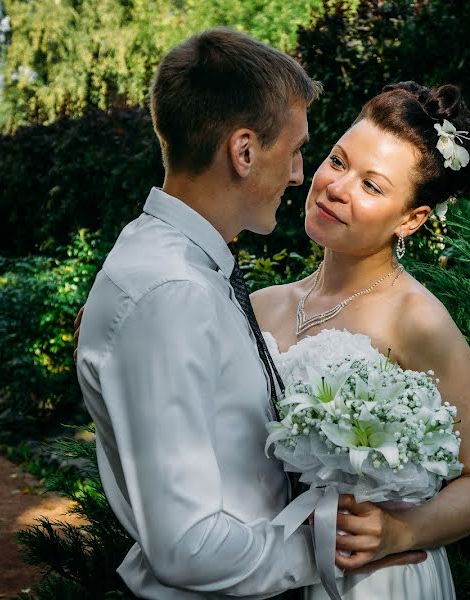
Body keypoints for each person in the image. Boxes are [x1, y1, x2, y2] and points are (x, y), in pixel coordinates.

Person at [74, 29, 422, 599]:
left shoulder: (182, 268)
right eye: (295, 150)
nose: (299, 175)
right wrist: (331, 549)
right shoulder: (170, 293)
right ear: (243, 151)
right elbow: (188, 545)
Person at [252, 82, 470, 599]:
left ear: (411, 219)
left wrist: (401, 532)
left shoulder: (421, 323)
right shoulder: (262, 305)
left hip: (371, 580)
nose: (336, 188)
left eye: (372, 186)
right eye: (339, 161)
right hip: (259, 564)